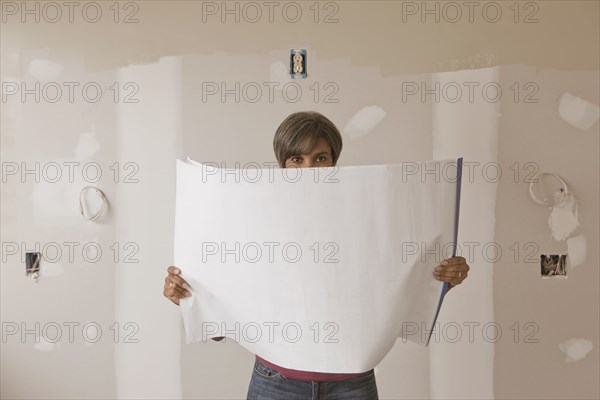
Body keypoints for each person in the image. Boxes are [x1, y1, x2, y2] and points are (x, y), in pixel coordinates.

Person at [163, 111, 470, 400]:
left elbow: (391, 285)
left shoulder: (366, 220)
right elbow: (225, 327)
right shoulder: (253, 224)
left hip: (352, 384)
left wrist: (440, 278)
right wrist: (189, 297)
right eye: (297, 159)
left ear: (334, 162)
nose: (308, 169)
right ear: (283, 164)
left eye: (320, 158)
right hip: (275, 383)